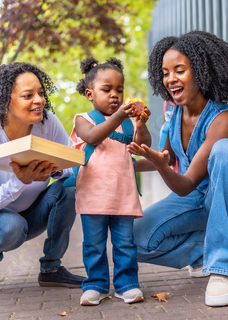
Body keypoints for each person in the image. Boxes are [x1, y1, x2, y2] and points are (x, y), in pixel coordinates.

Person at [128, 31, 228, 307]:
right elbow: (162, 157)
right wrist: (127, 162)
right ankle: (202, 255)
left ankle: (223, 267)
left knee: (225, 150)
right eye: (164, 73)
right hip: (192, 198)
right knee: (130, 239)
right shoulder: (173, 112)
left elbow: (183, 183)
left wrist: (162, 166)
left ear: (202, 71)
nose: (170, 79)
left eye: (179, 70)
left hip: (225, 195)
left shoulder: (224, 118)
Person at [0, 62, 85, 296]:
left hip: (29, 214)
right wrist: (19, 180)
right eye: (28, 95)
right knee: (10, 224)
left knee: (68, 189)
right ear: (6, 100)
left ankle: (51, 269)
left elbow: (72, 164)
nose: (39, 100)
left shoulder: (47, 122)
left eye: (41, 93)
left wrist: (53, 171)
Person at [70, 57, 151, 306]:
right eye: (107, 90)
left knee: (125, 244)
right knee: (94, 245)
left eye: (119, 90)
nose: (115, 95)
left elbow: (143, 146)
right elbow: (93, 137)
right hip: (92, 196)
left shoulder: (126, 122)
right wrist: (117, 116)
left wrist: (140, 124)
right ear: (90, 93)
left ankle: (127, 284)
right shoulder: (84, 119)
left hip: (123, 196)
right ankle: (96, 284)